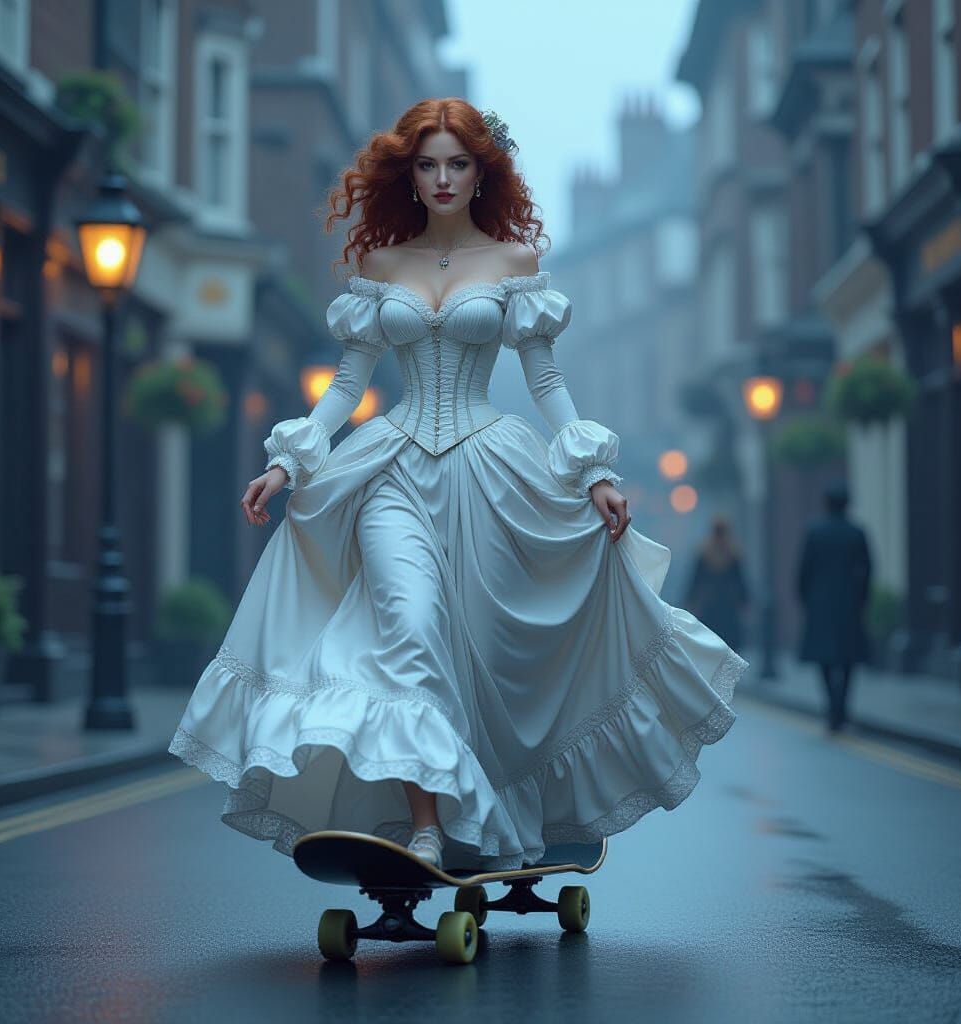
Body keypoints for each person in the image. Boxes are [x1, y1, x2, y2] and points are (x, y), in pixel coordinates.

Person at [168, 99, 749, 872]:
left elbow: (545, 380)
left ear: (483, 171)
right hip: (392, 471)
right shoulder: (380, 266)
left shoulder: (511, 264)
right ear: (408, 173)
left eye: (457, 163)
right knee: (406, 628)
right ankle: (427, 825)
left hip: (492, 477)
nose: (442, 179)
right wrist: (289, 462)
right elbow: (349, 382)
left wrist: (598, 474)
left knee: (482, 655)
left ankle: (497, 810)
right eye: (427, 164)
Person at [796, 481, 872, 732]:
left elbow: (804, 570)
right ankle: (841, 708)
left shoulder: (815, 532)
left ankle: (833, 707)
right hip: (849, 603)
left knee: (824, 659)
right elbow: (868, 569)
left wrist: (805, 598)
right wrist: (861, 599)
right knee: (848, 659)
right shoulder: (856, 532)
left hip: (820, 604)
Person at [685, 515, 750, 653]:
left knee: (714, 643)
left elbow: (695, 582)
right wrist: (744, 602)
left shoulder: (706, 553)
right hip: (725, 606)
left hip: (714, 605)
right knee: (726, 644)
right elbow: (740, 582)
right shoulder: (732, 553)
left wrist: (690, 601)